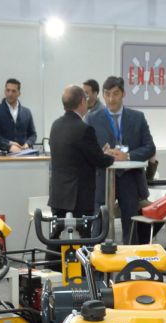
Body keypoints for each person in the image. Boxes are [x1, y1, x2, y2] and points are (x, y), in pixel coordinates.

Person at [86, 76, 156, 244]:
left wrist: (128, 155)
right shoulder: (92, 119)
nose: (111, 99)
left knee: (131, 230)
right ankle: (96, 259)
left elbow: (150, 147)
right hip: (103, 179)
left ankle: (130, 259)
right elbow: (87, 149)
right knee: (98, 227)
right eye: (107, 94)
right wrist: (101, 153)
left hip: (130, 179)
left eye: (115, 94)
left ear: (123, 94)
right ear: (103, 95)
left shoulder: (137, 117)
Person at [48, 84, 115, 222]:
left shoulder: (55, 125)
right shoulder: (84, 129)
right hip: (78, 197)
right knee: (83, 234)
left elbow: (74, 154)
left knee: (56, 233)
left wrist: (99, 153)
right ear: (82, 102)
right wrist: (111, 156)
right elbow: (100, 161)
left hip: (58, 195)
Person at [0, 78, 37, 148]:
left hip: (23, 152)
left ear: (19, 93)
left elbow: (33, 134)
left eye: (13, 91)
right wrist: (8, 144)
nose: (10, 94)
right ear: (4, 91)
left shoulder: (27, 112)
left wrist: (28, 144)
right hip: (3, 152)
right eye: (8, 90)